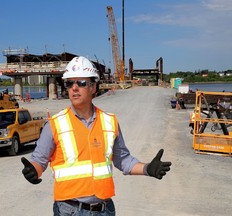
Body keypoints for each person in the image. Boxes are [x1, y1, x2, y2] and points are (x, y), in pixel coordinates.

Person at [21, 56, 172, 216]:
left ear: (93, 87)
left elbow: (123, 160)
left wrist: (148, 168)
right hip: (69, 210)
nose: (74, 88)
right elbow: (39, 160)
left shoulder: (109, 122)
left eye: (81, 83)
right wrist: (33, 171)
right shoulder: (54, 124)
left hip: (104, 210)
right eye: (69, 83)